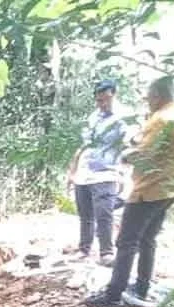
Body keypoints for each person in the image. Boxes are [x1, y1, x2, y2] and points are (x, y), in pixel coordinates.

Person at [84, 76, 174, 307]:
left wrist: (126, 154)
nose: (147, 102)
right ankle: (141, 287)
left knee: (126, 241)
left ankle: (113, 294)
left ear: (157, 96)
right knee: (148, 238)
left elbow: (143, 157)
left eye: (148, 98)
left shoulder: (160, 119)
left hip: (149, 189)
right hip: (171, 186)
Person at [67, 79, 130, 266]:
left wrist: (124, 173)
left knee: (104, 213)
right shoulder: (93, 117)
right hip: (85, 172)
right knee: (85, 214)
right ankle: (84, 249)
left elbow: (129, 147)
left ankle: (106, 253)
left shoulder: (123, 118)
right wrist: (72, 172)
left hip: (106, 173)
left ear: (114, 95)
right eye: (98, 100)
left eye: (105, 100)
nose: (101, 104)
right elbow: (83, 146)